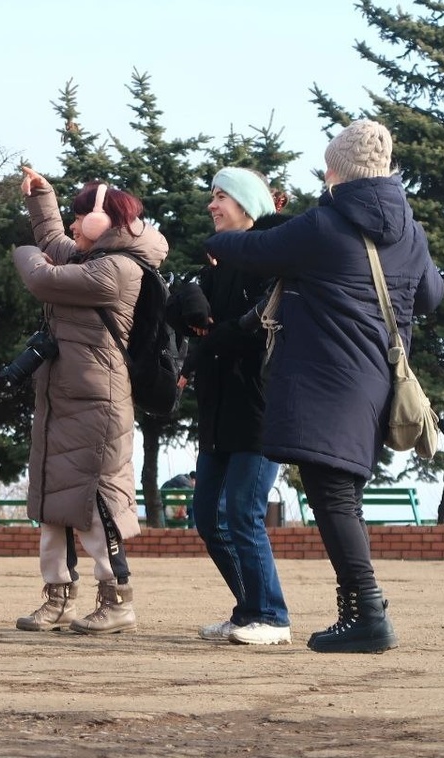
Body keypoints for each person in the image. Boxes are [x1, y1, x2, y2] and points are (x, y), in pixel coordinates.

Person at [204, 120, 444, 653]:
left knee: (333, 498)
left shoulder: (324, 224)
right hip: (376, 379)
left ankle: (369, 614)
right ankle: (357, 614)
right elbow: (429, 297)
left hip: (324, 377)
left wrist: (214, 240)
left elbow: (254, 250)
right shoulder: (409, 229)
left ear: (335, 171)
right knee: (344, 497)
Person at [12, 165, 169, 635]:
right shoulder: (91, 257)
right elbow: (57, 243)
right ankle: (57, 597)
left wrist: (24, 251)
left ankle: (117, 599)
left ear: (106, 222)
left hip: (99, 403)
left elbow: (42, 276)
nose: (75, 225)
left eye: (82, 217)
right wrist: (42, 198)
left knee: (97, 503)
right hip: (65, 396)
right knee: (52, 499)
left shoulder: (117, 270)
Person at [168, 167, 294, 646]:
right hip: (218, 409)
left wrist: (214, 333)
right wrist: (191, 299)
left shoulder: (271, 256)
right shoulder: (216, 260)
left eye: (220, 196)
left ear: (246, 203)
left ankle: (273, 617)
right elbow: (189, 315)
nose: (211, 205)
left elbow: (253, 326)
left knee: (242, 511)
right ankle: (248, 610)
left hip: (261, 406)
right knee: (207, 516)